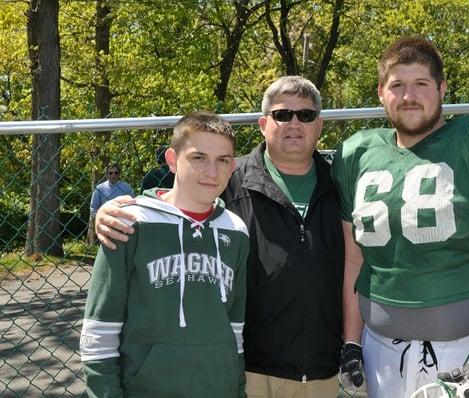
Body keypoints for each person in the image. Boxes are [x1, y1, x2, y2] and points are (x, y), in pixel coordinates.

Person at [93, 76, 344, 398]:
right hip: (247, 367)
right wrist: (114, 209)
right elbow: (178, 200)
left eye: (306, 115)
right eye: (282, 114)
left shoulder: (342, 184)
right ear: (264, 123)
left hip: (321, 366)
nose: (294, 123)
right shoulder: (228, 176)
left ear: (319, 125)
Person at [332, 37, 469, 398]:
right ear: (381, 93)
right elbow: (355, 259)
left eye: (421, 84)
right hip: (380, 349)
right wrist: (351, 341)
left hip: (467, 351)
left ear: (442, 88)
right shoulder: (356, 153)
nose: (408, 96)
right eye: (397, 86)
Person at [79, 111, 249, 398]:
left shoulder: (236, 230)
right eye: (198, 157)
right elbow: (100, 329)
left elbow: (235, 328)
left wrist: (237, 389)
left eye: (223, 160)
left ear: (232, 165)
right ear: (172, 159)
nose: (212, 171)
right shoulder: (128, 223)